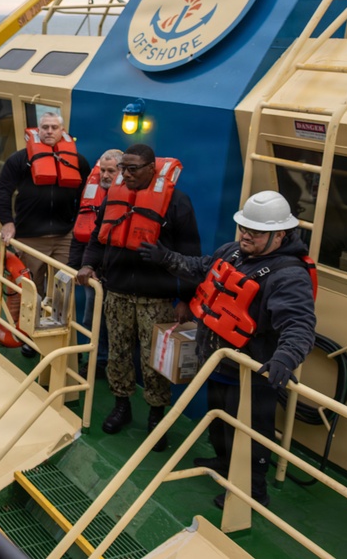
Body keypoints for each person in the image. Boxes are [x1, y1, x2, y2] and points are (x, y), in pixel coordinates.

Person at [139, 190, 316, 506]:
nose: (246, 235)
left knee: (251, 431)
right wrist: (166, 257)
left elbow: (299, 324)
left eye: (256, 232)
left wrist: (285, 358)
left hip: (251, 372)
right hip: (217, 362)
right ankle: (223, 461)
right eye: (244, 228)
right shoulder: (232, 252)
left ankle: (253, 491)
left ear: (280, 235)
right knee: (219, 419)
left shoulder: (288, 275)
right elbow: (201, 268)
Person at [77, 143, 200, 452]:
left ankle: (157, 414)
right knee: (117, 352)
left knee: (154, 360)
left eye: (133, 169)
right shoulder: (113, 198)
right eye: (123, 169)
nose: (126, 174)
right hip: (116, 292)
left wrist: (186, 299)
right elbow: (97, 237)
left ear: (151, 170)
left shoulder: (177, 203)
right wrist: (89, 264)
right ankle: (122, 405)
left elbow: (191, 256)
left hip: (156, 300)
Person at [0, 113, 89, 293]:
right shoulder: (19, 159)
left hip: (64, 236)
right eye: (45, 127)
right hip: (30, 236)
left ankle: (62, 322)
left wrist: (76, 223)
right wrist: (7, 221)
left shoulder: (78, 161)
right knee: (31, 289)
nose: (49, 131)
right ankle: (31, 322)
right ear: (38, 130)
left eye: (54, 127)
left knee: (64, 289)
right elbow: (2, 191)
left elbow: (86, 196)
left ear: (62, 131)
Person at [67, 149, 122, 376]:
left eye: (111, 171)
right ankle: (98, 362)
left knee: (116, 325)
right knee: (92, 319)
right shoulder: (93, 194)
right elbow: (83, 232)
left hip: (119, 276)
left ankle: (112, 366)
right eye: (103, 171)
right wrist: (73, 266)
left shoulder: (128, 199)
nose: (105, 176)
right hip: (96, 272)